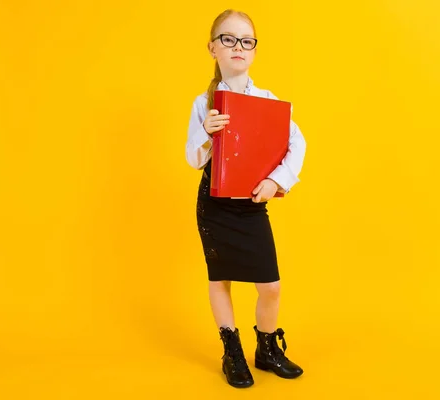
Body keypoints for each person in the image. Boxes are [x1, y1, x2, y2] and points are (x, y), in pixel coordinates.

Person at [184, 9, 306, 388]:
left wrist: (275, 180)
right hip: (215, 205)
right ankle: (232, 351)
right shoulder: (204, 103)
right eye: (229, 39)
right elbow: (192, 159)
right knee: (220, 278)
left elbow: (296, 143)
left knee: (270, 285)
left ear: (254, 50)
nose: (238, 47)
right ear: (212, 48)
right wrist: (206, 133)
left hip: (252, 204)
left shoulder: (269, 100)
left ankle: (266, 349)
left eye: (246, 41)